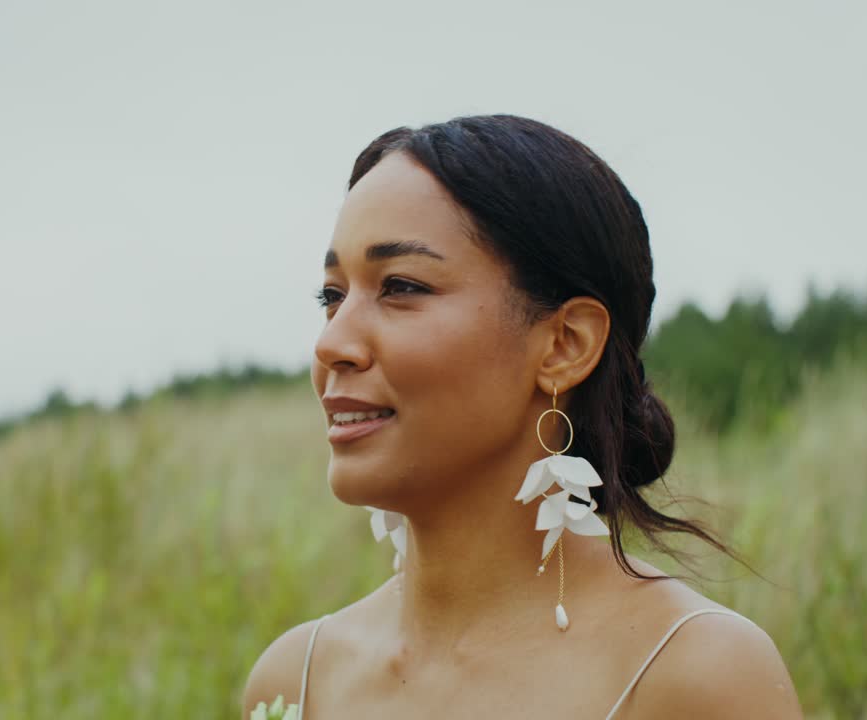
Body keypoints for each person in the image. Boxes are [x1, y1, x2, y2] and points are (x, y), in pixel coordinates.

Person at [242, 114, 802, 719]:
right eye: (332, 296)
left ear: (565, 345)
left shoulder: (693, 675)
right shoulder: (296, 680)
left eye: (400, 286)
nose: (331, 344)